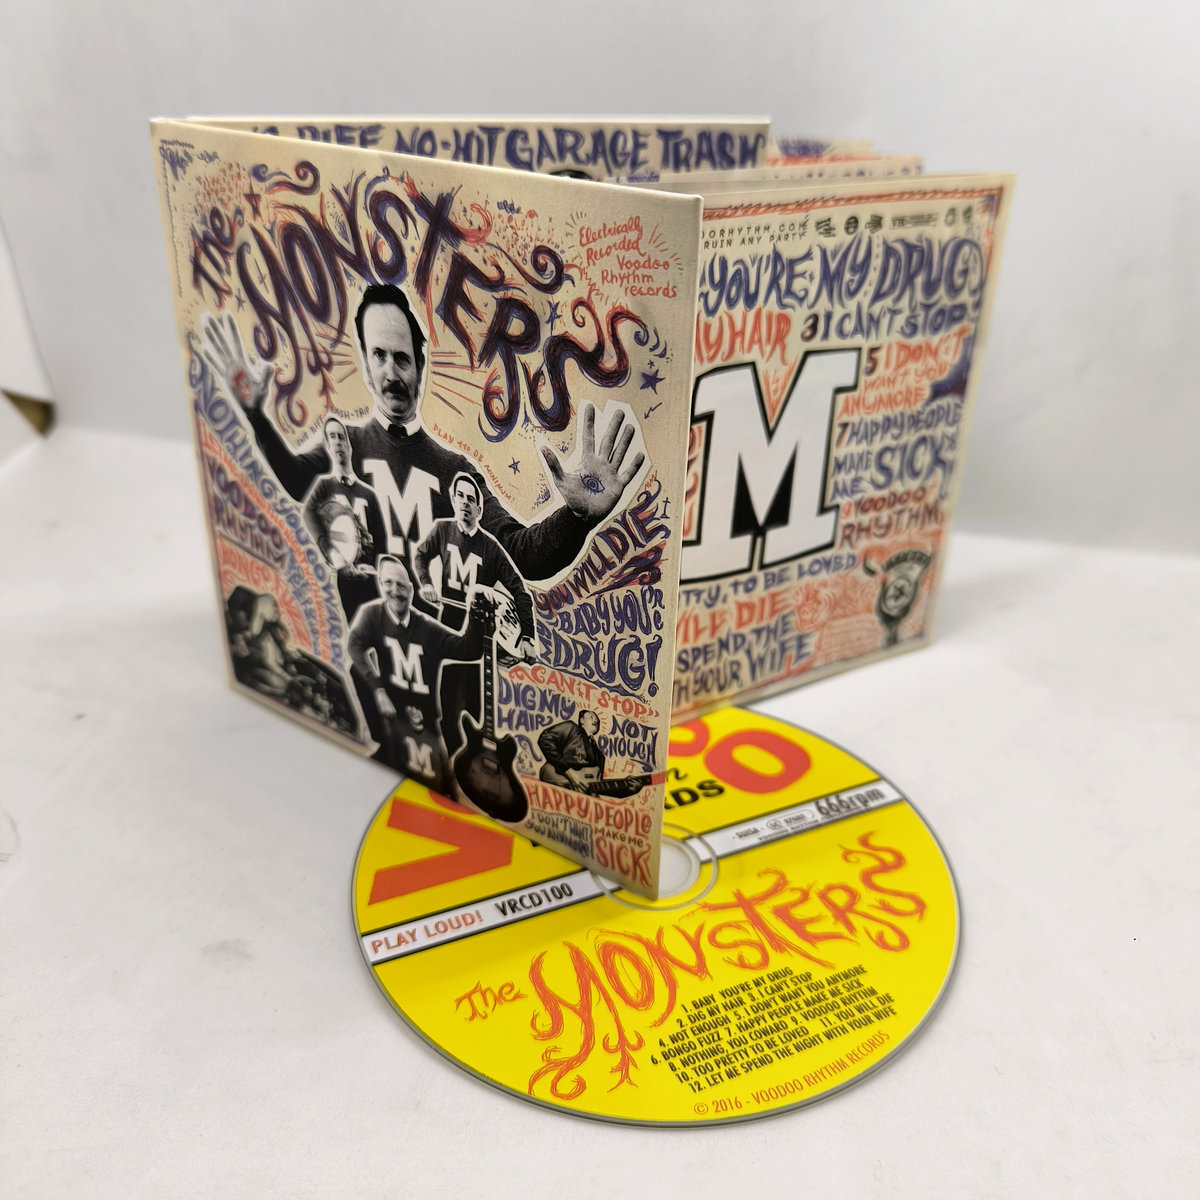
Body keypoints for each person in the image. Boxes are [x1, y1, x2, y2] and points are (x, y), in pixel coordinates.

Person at [201, 286, 645, 584]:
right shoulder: (345, 446)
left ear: (420, 365)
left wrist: (578, 517)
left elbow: (521, 557)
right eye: (379, 356)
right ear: (365, 365)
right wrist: (255, 415)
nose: (391, 373)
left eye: (401, 358)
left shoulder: (454, 471)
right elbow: (296, 479)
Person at [348, 556, 483, 789]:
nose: (395, 591)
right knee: (355, 670)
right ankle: (383, 746)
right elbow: (354, 645)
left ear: (411, 590)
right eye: (388, 583)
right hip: (393, 714)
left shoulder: (427, 628)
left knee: (439, 785)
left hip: (426, 720)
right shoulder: (371, 614)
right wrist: (378, 690)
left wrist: (477, 616)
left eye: (401, 585)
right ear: (380, 584)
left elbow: (469, 650)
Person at [302, 415, 388, 622]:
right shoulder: (324, 485)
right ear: (327, 446)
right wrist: (333, 555)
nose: (338, 442)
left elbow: (381, 538)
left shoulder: (368, 493)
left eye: (341, 437)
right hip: (342, 578)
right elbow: (308, 514)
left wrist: (377, 567)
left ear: (349, 447)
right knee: (352, 628)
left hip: (370, 578)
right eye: (332, 437)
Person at [538, 711, 606, 791]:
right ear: (582, 720)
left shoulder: (600, 756)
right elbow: (545, 738)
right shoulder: (571, 728)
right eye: (591, 717)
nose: (595, 721)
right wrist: (569, 772)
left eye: (597, 721)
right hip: (557, 776)